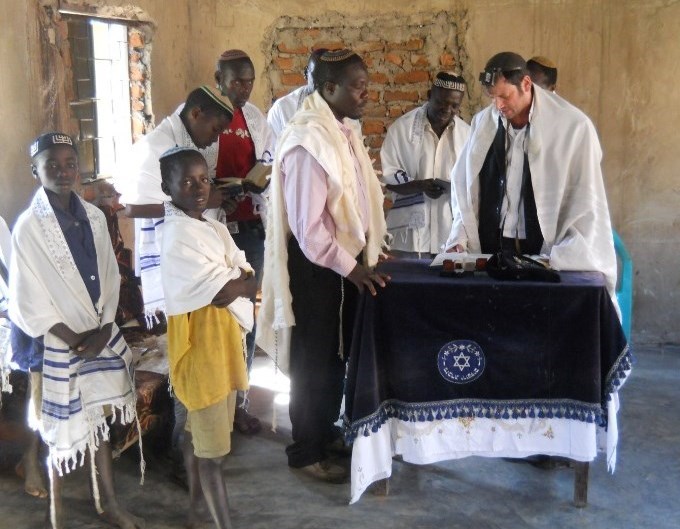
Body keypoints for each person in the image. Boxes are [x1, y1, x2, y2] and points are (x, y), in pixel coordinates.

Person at [256, 49, 389, 482]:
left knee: (334, 356)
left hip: (343, 264)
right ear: (328, 88)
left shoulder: (340, 130)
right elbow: (310, 229)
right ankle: (305, 451)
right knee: (314, 360)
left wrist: (365, 254)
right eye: (357, 86)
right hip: (319, 268)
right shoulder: (307, 140)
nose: (366, 94)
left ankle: (326, 430)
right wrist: (353, 268)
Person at [8, 132, 142, 529]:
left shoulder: (94, 217)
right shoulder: (29, 227)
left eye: (70, 164)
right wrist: (72, 338)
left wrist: (102, 330)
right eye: (51, 165)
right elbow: (27, 296)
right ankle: (58, 514)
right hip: (49, 340)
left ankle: (108, 503)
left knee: (98, 420)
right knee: (54, 427)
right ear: (35, 171)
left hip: (91, 334)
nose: (63, 172)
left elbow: (108, 276)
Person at [113, 86, 235, 488]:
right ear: (195, 113)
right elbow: (132, 206)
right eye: (214, 128)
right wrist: (201, 199)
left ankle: (195, 452)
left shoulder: (182, 145)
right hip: (175, 274)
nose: (215, 138)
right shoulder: (157, 149)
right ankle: (189, 461)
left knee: (194, 368)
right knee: (187, 368)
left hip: (194, 266)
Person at [445, 52, 617, 299]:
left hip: (546, 253)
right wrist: (460, 237)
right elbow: (464, 188)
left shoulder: (573, 127)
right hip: (494, 249)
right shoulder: (484, 123)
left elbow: (585, 202)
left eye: (505, 96)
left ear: (526, 84)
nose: (499, 105)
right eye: (493, 98)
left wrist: (564, 252)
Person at [159, 147, 257, 529]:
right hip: (202, 347)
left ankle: (197, 511)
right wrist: (240, 280)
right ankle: (223, 523)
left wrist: (241, 280)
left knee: (197, 436)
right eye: (186, 181)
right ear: (167, 188)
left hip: (222, 341)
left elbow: (245, 273)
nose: (198, 188)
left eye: (203, 179)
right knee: (213, 453)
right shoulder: (178, 237)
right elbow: (223, 291)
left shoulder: (213, 227)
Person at [214, 49, 274, 435]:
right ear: (218, 78)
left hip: (249, 228)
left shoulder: (255, 117)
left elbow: (268, 159)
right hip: (212, 229)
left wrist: (257, 180)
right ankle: (213, 405)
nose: (244, 88)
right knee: (217, 316)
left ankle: (239, 401)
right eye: (236, 81)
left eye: (250, 81)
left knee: (245, 317)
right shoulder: (202, 114)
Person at [381, 71, 471, 257]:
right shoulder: (402, 129)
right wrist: (420, 185)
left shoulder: (467, 135)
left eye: (454, 105)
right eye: (441, 102)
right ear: (429, 96)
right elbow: (388, 176)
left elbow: (473, 185)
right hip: (410, 237)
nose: (447, 109)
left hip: (451, 236)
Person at [267, 48, 327, 146]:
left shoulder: (344, 110)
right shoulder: (281, 109)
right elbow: (271, 155)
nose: (321, 83)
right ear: (306, 74)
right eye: (317, 76)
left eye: (327, 79)